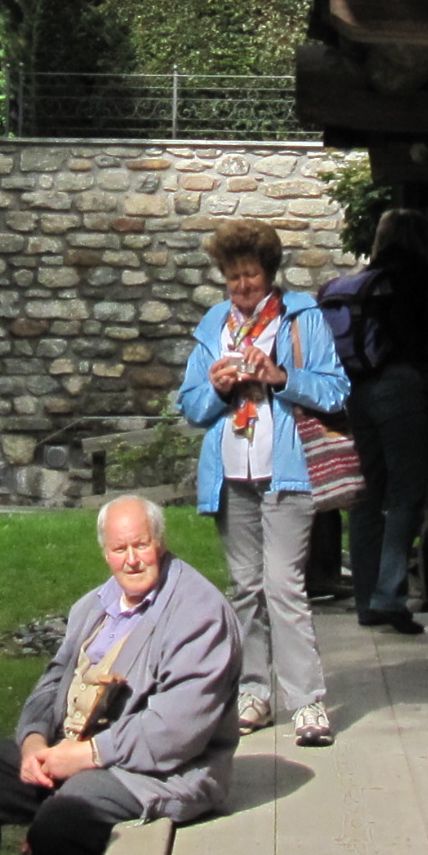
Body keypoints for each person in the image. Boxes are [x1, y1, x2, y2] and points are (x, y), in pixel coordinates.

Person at [0, 495, 240, 855]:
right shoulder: (94, 606)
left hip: (158, 770)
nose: (132, 560)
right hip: (73, 748)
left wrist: (85, 755)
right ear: (105, 552)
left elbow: (177, 730)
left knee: (62, 820)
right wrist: (33, 740)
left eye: (141, 545)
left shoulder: (199, 614)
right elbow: (53, 680)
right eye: (120, 549)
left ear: (160, 542)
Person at [174, 219, 349, 749]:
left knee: (283, 586)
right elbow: (191, 407)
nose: (242, 286)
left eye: (250, 275)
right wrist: (215, 387)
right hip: (230, 476)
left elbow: (336, 389)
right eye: (233, 277)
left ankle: (307, 700)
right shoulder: (214, 325)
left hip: (287, 472)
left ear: (269, 273)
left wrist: (280, 377)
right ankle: (254, 692)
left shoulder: (301, 316)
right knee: (245, 590)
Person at [320, 208, 428, 632]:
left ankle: (367, 602)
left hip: (356, 391)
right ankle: (390, 596)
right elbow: (418, 339)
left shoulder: (364, 281)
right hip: (398, 387)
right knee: (406, 492)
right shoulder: (413, 278)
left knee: (365, 495)